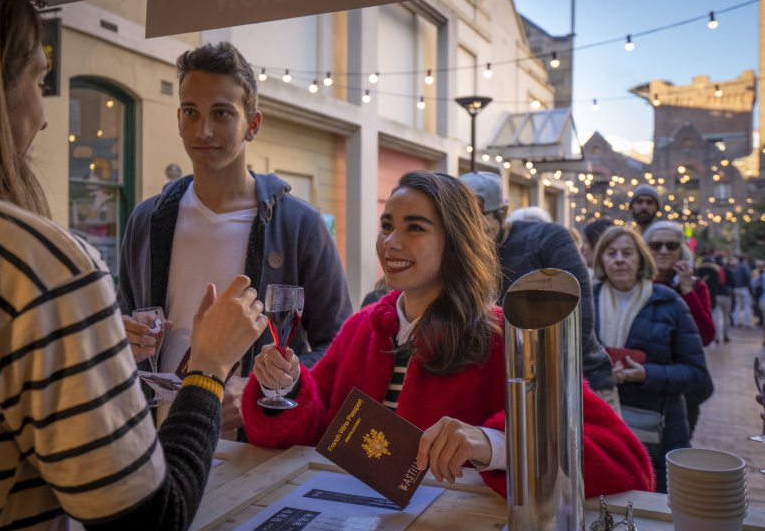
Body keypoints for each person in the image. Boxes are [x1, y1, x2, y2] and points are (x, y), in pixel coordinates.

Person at [0, 0, 269, 531]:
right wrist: (207, 367)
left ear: (250, 123)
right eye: (38, 82)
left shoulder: (293, 221)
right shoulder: (39, 264)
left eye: (222, 114)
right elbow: (147, 527)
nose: (45, 117)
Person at [242, 171, 654, 498]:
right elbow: (311, 429)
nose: (391, 242)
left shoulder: (506, 338)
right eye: (387, 226)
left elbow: (624, 459)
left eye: (415, 228)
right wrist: (285, 386)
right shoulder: (362, 326)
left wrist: (492, 443)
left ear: (455, 242)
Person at [117, 42, 352, 436]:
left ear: (253, 125)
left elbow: (340, 346)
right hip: (156, 440)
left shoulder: (300, 225)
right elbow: (123, 317)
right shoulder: (146, 219)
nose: (203, 130)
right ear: (178, 119)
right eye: (191, 112)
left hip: (253, 448)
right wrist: (122, 335)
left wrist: (261, 388)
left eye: (222, 113)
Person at [459, 171, 618, 413]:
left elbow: (580, 318)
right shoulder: (463, 251)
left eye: (481, 225)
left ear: (502, 213)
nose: (474, 237)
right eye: (463, 225)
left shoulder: (548, 238)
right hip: (510, 388)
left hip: (581, 379)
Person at [592, 226, 707, 493]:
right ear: (601, 260)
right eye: (611, 253)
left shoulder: (669, 303)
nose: (619, 259)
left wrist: (647, 374)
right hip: (600, 428)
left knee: (657, 508)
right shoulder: (587, 301)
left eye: (627, 253)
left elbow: (695, 370)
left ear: (641, 259)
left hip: (659, 429)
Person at [642, 221, 715, 437]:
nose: (663, 251)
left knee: (676, 449)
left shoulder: (696, 286)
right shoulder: (636, 286)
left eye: (671, 246)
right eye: (656, 246)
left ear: (680, 250)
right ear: (646, 250)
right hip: (644, 384)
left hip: (684, 389)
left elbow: (706, 336)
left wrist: (686, 290)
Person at [731, 255, 753, 329]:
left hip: (736, 288)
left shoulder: (736, 268)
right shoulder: (744, 267)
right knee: (747, 306)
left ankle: (736, 322)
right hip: (744, 288)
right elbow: (748, 277)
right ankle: (746, 323)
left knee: (738, 305)